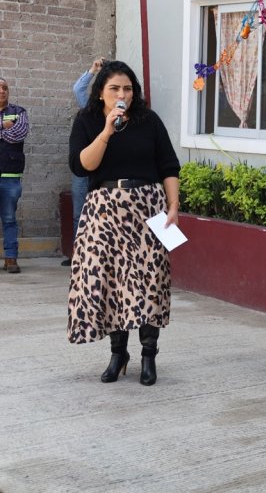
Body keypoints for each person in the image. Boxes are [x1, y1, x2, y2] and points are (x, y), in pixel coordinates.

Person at [67, 60, 181, 386]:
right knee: (111, 283)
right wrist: (106, 130)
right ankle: (118, 354)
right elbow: (81, 166)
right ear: (101, 93)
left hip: (148, 208)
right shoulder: (88, 121)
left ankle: (149, 356)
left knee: (150, 282)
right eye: (114, 88)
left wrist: (173, 206)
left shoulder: (149, 121)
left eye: (128, 88)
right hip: (103, 210)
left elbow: (169, 166)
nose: (122, 94)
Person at [62, 57, 106, 267]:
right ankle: (78, 256)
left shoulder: (124, 113)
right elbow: (78, 89)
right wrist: (93, 70)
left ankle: (97, 257)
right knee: (79, 213)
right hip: (82, 169)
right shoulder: (90, 111)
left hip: (106, 171)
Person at [0, 77, 29, 274]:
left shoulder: (19, 112)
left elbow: (19, 134)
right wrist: (4, 128)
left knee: (9, 218)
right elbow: (9, 133)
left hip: (10, 175)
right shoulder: (11, 118)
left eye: (5, 88)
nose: (2, 91)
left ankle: (11, 258)